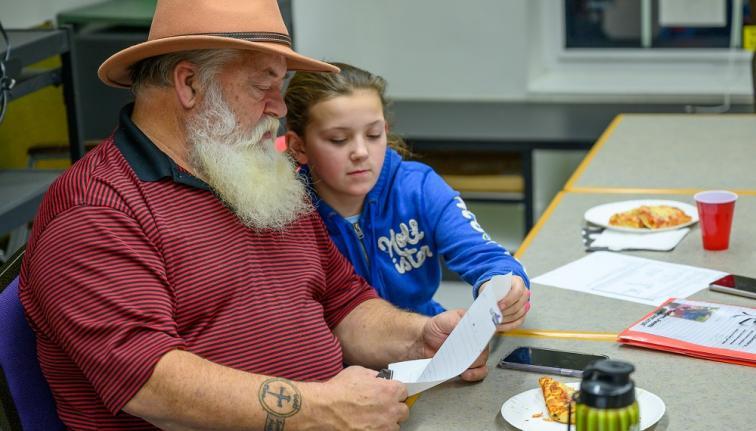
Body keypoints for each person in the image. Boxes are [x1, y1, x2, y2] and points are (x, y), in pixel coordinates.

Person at [18, 1, 490, 429]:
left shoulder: (254, 174)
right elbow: (152, 383)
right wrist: (324, 409)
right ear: (189, 83)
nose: (281, 108)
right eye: (263, 85)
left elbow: (342, 300)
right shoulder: (97, 209)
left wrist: (417, 338)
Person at [284, 63, 531, 322]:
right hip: (343, 354)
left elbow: (485, 254)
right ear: (299, 146)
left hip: (424, 331)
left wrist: (502, 283)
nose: (361, 152)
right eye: (338, 139)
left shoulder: (418, 188)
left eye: (373, 134)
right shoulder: (287, 216)